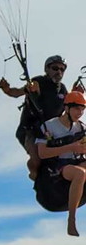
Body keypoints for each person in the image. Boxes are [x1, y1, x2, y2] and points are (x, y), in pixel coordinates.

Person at [0, 55, 81, 180]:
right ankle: (34, 174)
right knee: (37, 161)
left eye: (62, 69)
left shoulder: (63, 90)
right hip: (30, 130)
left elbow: (67, 111)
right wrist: (6, 89)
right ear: (47, 69)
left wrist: (75, 94)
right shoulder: (38, 82)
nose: (59, 72)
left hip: (49, 133)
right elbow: (16, 93)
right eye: (55, 68)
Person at [35, 91, 86, 236]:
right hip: (58, 166)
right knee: (80, 174)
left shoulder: (81, 127)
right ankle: (72, 220)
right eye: (77, 108)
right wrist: (71, 147)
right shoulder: (49, 126)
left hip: (77, 160)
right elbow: (42, 153)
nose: (80, 113)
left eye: (82, 109)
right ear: (67, 108)